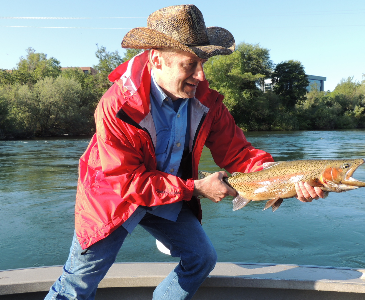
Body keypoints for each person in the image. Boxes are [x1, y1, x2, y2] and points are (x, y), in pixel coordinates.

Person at [45, 4, 324, 300]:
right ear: (157, 60)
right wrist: (198, 189)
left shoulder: (206, 102)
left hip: (171, 191)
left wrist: (289, 179)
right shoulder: (117, 106)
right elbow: (127, 182)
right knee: (77, 284)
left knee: (201, 258)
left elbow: (239, 154)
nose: (200, 76)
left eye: (202, 63)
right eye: (189, 64)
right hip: (114, 196)